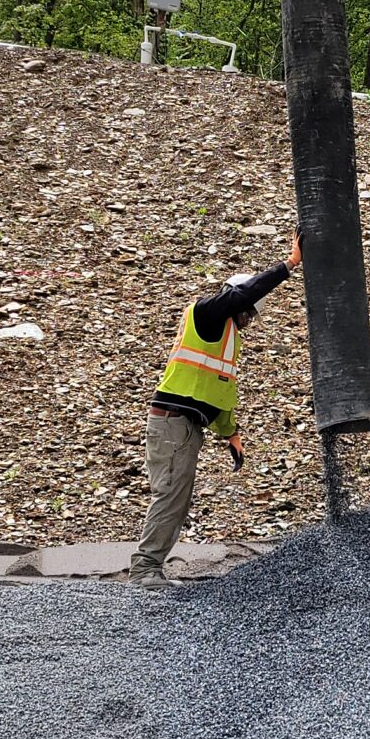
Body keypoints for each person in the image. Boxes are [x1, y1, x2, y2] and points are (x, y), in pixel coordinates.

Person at [135, 240, 295, 583]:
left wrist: (231, 435)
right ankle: (145, 569)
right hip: (172, 423)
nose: (248, 320)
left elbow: (221, 394)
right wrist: (289, 265)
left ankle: (150, 567)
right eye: (248, 312)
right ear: (237, 300)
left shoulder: (228, 338)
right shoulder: (205, 315)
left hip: (187, 426)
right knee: (171, 496)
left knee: (177, 497)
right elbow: (239, 296)